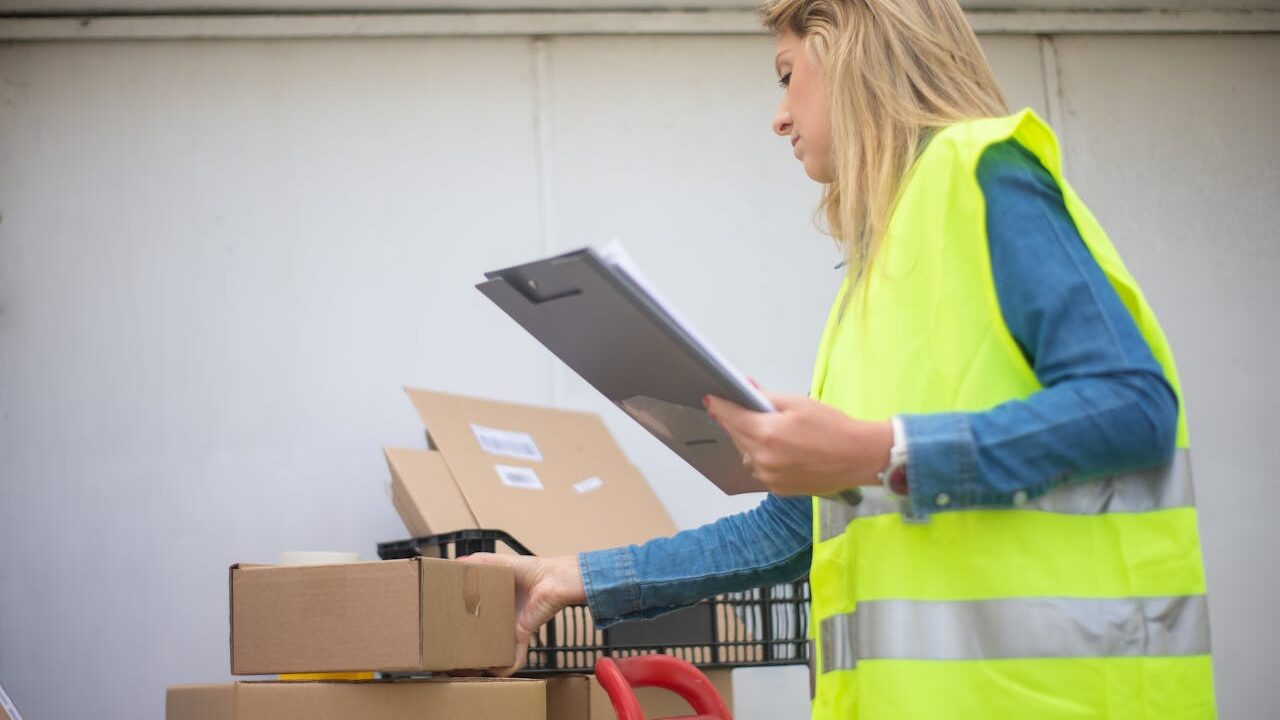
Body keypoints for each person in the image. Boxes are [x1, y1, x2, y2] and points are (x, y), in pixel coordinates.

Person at [465, 1, 1216, 717]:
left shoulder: (983, 171)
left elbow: (1134, 406)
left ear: (850, 48)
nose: (779, 115)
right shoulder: (872, 280)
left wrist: (877, 450)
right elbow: (791, 531)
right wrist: (566, 575)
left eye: (787, 74)